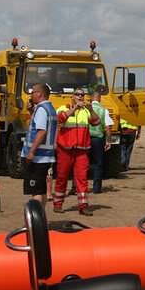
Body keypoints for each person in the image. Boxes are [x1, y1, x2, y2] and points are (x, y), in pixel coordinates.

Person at [54, 87, 100, 216]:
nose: (80, 97)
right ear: (72, 96)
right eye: (77, 94)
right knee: (62, 177)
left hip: (82, 150)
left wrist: (91, 109)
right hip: (65, 149)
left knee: (82, 178)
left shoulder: (86, 111)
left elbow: (96, 122)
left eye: (82, 95)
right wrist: (74, 108)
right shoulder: (64, 107)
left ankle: (83, 206)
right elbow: (60, 118)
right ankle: (57, 204)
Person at [21, 84, 57, 207]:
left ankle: (36, 222)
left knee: (35, 191)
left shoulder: (42, 109)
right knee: (41, 191)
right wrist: (32, 112)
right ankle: (41, 220)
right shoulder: (49, 108)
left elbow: (41, 131)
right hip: (45, 156)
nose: (31, 95)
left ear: (39, 94)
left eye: (33, 92)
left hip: (38, 158)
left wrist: (31, 151)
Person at [89, 86, 113, 194]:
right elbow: (108, 127)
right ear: (100, 99)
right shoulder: (104, 110)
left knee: (83, 161)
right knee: (98, 163)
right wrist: (108, 140)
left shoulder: (86, 109)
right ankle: (97, 188)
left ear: (91, 98)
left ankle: (79, 187)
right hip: (98, 139)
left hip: (86, 138)